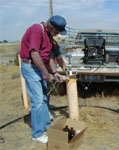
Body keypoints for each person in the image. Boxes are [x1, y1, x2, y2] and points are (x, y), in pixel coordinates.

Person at [20, 15, 67, 144]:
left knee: (45, 99)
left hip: (39, 67)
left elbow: (50, 58)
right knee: (38, 101)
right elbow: (34, 54)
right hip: (30, 67)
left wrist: (55, 72)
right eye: (57, 31)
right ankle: (37, 134)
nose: (58, 34)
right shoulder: (37, 29)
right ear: (51, 27)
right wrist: (46, 73)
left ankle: (46, 127)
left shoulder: (49, 36)